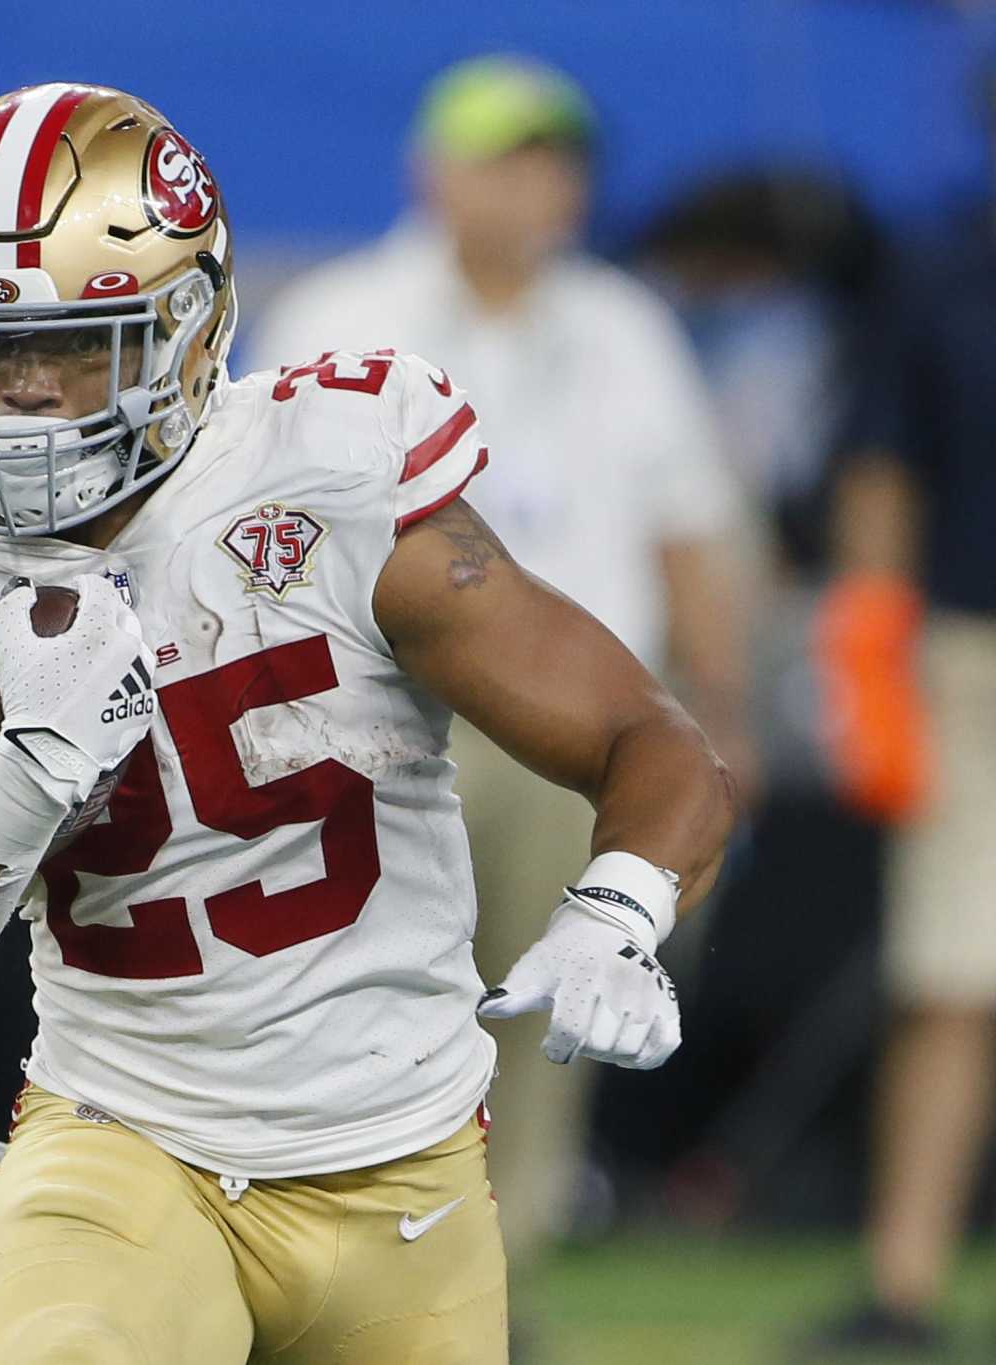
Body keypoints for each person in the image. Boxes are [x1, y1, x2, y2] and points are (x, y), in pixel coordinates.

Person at [0, 82, 735, 1364]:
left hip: (403, 1168)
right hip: (119, 1137)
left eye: (78, 344)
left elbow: (649, 744)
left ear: (189, 325)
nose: (24, 398)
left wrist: (618, 908)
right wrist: (23, 777)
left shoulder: (327, 480)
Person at [247, 55, 755, 1312]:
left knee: (555, 998)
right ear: (434, 170)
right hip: (379, 722)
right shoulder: (339, 312)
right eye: (505, 157)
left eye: (555, 161)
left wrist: (718, 724)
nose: (536, 186)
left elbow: (686, 530)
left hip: (574, 733)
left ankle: (493, 1287)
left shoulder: (622, 326)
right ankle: (326, 1283)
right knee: (355, 1007)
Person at [792, 78, 996, 1362]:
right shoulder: (945, 267)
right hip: (971, 653)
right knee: (948, 980)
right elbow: (878, 466)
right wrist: (868, 656)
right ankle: (903, 1279)